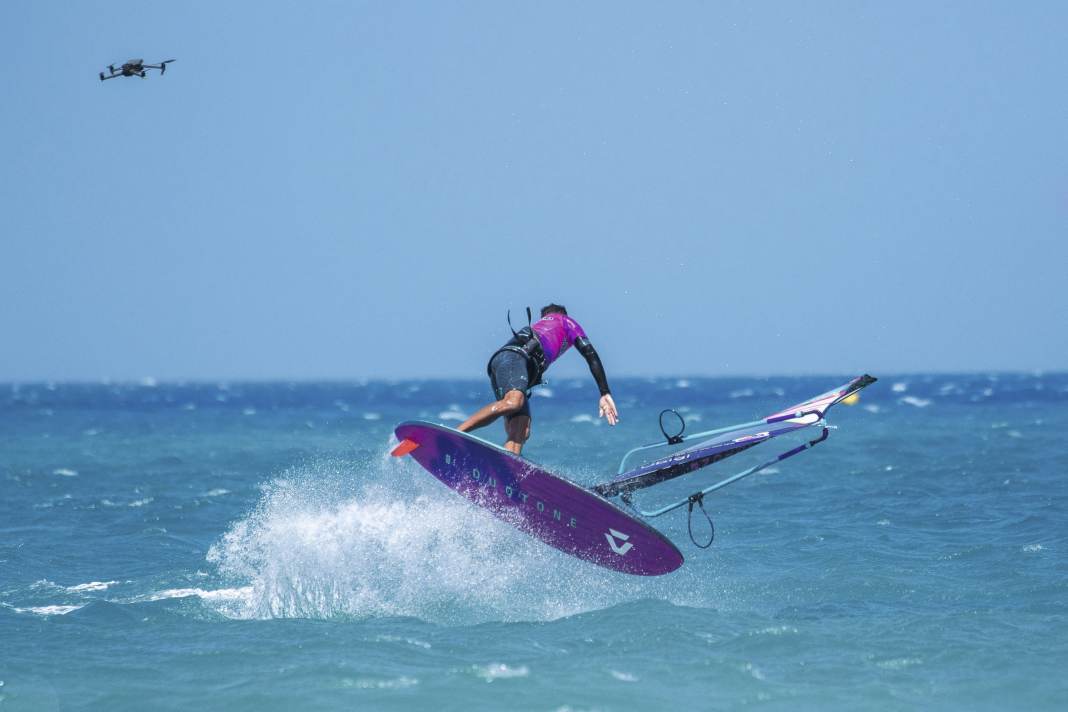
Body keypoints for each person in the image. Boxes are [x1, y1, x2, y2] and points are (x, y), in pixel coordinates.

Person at [457, 304, 619, 455]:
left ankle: (506, 470)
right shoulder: (564, 320)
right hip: (514, 358)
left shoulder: (540, 327)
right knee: (514, 402)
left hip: (505, 363)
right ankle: (457, 433)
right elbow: (590, 353)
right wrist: (604, 392)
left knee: (521, 429)